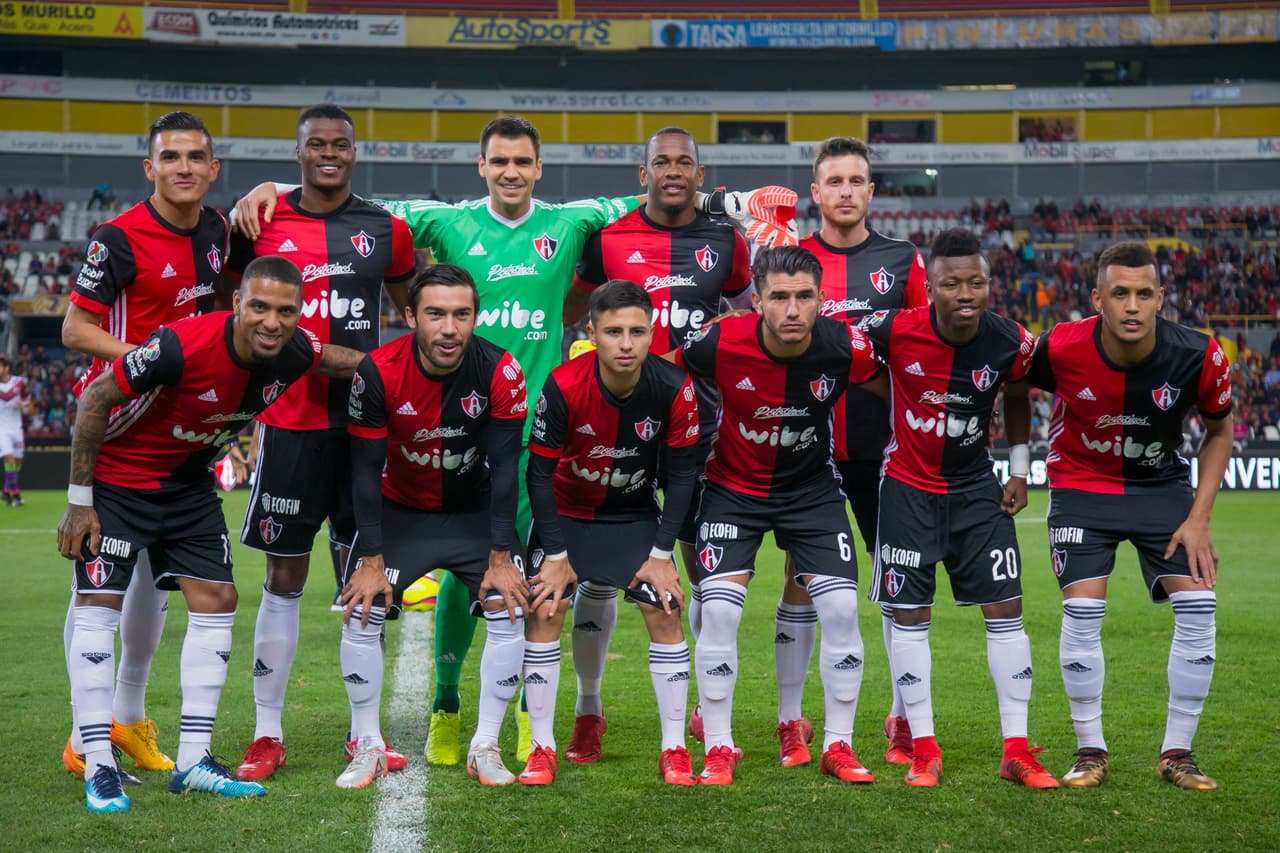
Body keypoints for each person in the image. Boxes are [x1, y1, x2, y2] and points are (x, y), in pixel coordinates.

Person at [56, 256, 362, 812]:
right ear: (237, 303)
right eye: (260, 307)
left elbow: (339, 360)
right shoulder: (180, 345)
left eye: (286, 311)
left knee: (219, 598)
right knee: (99, 607)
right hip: (121, 479)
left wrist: (404, 363)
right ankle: (98, 763)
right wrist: (80, 502)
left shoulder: (294, 350)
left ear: (300, 314)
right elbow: (96, 397)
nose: (272, 321)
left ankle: (193, 761)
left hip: (187, 484)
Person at [228, 104, 416, 783]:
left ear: (354, 152)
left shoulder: (386, 229)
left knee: (364, 579)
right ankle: (266, 734)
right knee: (283, 578)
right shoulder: (259, 220)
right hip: (289, 425)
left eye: (340, 144)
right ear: (299, 152)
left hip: (365, 429)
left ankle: (365, 735)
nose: (329, 154)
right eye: (317, 145)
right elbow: (229, 306)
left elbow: (414, 308)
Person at [559, 128, 751, 764]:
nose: (673, 171)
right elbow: (573, 308)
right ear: (642, 174)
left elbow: (748, 315)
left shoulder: (727, 240)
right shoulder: (608, 238)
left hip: (700, 427)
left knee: (699, 570)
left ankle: (703, 710)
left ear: (700, 175)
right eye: (661, 162)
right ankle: (589, 709)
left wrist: (728, 329)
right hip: (616, 429)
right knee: (599, 576)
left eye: (684, 162)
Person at [59, 110, 231, 780]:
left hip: (180, 432)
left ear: (212, 168)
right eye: (170, 156)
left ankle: (125, 719)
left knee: (155, 582)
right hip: (121, 424)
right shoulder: (119, 238)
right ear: (149, 167)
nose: (183, 167)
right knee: (98, 582)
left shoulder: (218, 230)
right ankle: (84, 736)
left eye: (195, 156)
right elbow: (76, 329)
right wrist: (150, 361)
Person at [673, 245, 885, 785]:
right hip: (732, 489)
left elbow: (900, 387)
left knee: (841, 609)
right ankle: (718, 746)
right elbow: (664, 378)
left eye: (804, 297)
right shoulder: (719, 341)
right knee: (720, 614)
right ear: (757, 302)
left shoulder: (846, 346)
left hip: (812, 492)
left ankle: (834, 743)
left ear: (822, 300)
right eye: (779, 298)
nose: (793, 310)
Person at [1026, 241, 1232, 791]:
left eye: (1144, 294)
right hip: (1081, 486)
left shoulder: (1198, 354)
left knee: (1199, 607)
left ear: (1161, 297)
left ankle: (1177, 754)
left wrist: (1199, 518)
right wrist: (1020, 466)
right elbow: (1013, 382)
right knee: (1082, 612)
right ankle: (1090, 751)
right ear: (1098, 299)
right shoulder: (1060, 346)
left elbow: (1220, 430)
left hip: (1159, 488)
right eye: (1120, 293)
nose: (1133, 306)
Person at [861, 228, 1056, 789]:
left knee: (1007, 610)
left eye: (976, 282)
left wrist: (1019, 469)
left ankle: (1016, 749)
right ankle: (923, 748)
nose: (965, 293)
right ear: (930, 289)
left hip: (976, 490)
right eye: (951, 284)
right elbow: (844, 356)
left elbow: (1017, 393)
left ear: (990, 284)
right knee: (910, 618)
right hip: (907, 489)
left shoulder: (1009, 340)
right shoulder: (894, 330)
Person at [338, 263, 530, 788]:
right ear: (410, 316)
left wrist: (501, 558)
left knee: (510, 606)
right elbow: (363, 472)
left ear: (475, 318)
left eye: (461, 315)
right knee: (361, 608)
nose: (449, 329)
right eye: (436, 315)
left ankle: (485, 745)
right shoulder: (377, 372)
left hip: (473, 513)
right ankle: (367, 745)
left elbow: (507, 469)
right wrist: (371, 561)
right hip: (400, 513)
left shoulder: (501, 370)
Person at [775, 136, 930, 768]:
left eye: (855, 180)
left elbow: (923, 346)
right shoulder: (791, 261)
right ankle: (791, 721)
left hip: (881, 449)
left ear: (871, 190)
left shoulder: (902, 259)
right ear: (815, 192)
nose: (845, 191)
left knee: (896, 578)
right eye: (833, 181)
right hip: (805, 449)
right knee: (802, 581)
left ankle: (901, 716)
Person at [524, 280, 701, 785]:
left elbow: (683, 476)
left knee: (664, 606)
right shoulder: (563, 385)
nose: (626, 344)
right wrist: (554, 554)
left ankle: (674, 748)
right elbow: (538, 475)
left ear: (652, 333)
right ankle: (549, 741)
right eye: (614, 332)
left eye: (637, 332)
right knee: (546, 607)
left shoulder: (674, 386)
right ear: (592, 332)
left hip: (633, 516)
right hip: (568, 517)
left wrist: (662, 554)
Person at [0, 355, 31, 505]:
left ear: (7, 368)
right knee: (9, 458)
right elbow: (6, 397)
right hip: (2, 428)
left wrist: (23, 404)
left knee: (17, 463)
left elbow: (28, 400)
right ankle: (16, 493)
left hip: (16, 427)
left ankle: (7, 491)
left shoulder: (19, 382)